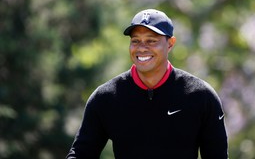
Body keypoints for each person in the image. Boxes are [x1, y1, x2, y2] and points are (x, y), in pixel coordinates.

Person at [66, 9, 228, 159]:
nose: (142, 48)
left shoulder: (201, 96)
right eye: (135, 41)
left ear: (170, 43)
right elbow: (81, 154)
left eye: (151, 41)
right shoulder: (106, 98)